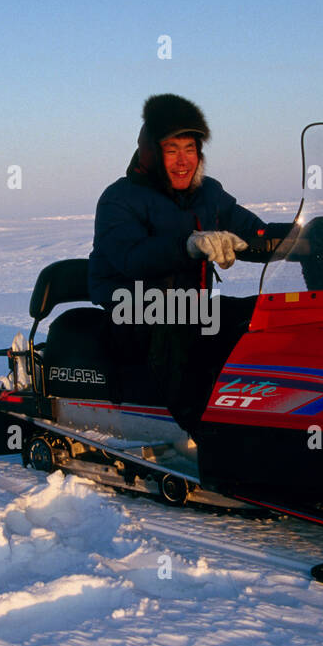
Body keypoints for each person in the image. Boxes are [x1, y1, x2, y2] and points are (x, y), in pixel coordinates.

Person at [88, 93, 268, 432]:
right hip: (133, 314)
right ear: (151, 153)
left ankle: (275, 418)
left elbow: (253, 232)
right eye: (172, 150)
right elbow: (133, 257)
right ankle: (212, 443)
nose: (183, 161)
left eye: (190, 149)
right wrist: (189, 245)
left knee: (258, 317)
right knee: (177, 334)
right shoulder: (119, 198)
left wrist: (301, 238)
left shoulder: (209, 193)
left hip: (192, 309)